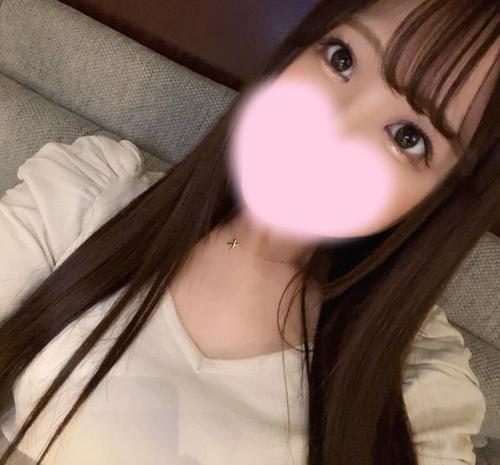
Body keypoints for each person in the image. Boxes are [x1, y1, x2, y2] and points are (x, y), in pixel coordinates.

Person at [0, 0, 498, 464]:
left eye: (409, 138)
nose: (331, 130)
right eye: (341, 59)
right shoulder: (85, 199)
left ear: (442, 200)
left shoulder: (417, 391)